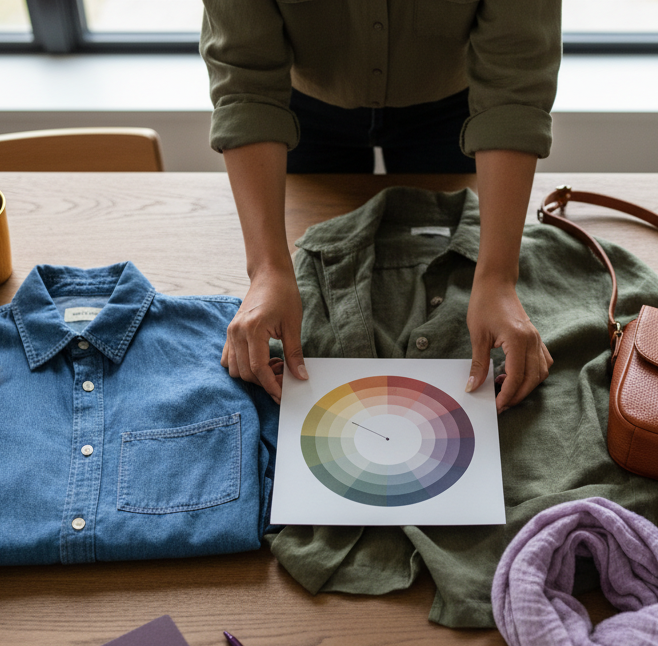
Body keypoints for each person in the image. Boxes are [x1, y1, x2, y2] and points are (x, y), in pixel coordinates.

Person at [201, 1, 562, 412]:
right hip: (302, 108)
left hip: (453, 109)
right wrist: (266, 268)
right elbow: (244, 78)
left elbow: (515, 77)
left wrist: (498, 276)